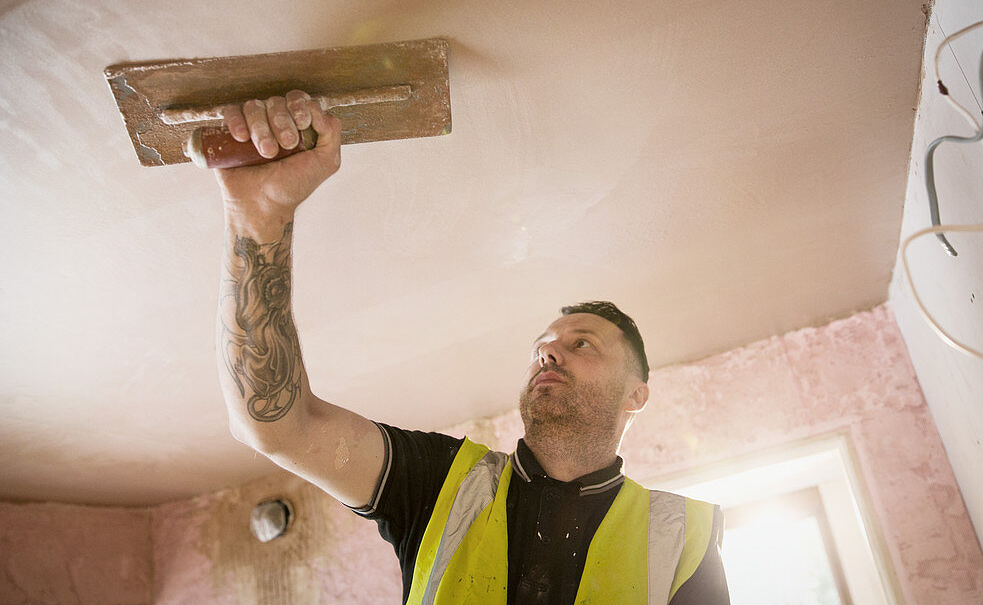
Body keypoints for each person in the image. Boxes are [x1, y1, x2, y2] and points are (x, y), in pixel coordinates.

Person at [212, 90, 731, 604]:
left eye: (582, 344)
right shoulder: (441, 482)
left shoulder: (685, 535)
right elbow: (275, 423)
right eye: (542, 346)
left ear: (636, 395)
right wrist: (259, 218)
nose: (549, 353)